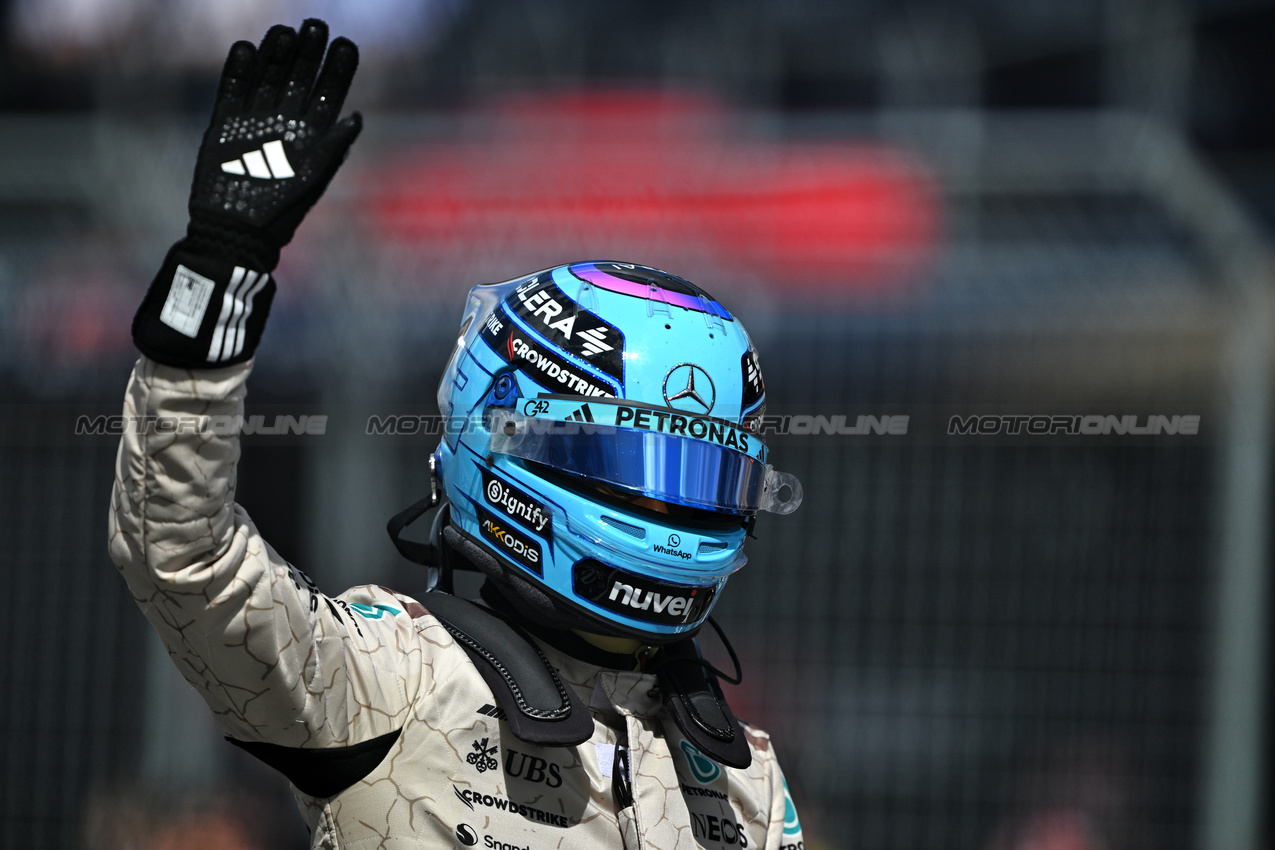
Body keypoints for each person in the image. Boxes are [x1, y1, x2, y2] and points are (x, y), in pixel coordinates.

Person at [110, 19, 807, 850]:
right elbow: (182, 558)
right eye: (637, 467)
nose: (672, 508)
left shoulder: (748, 783)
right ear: (508, 445)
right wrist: (217, 267)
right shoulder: (388, 682)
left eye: (704, 479)